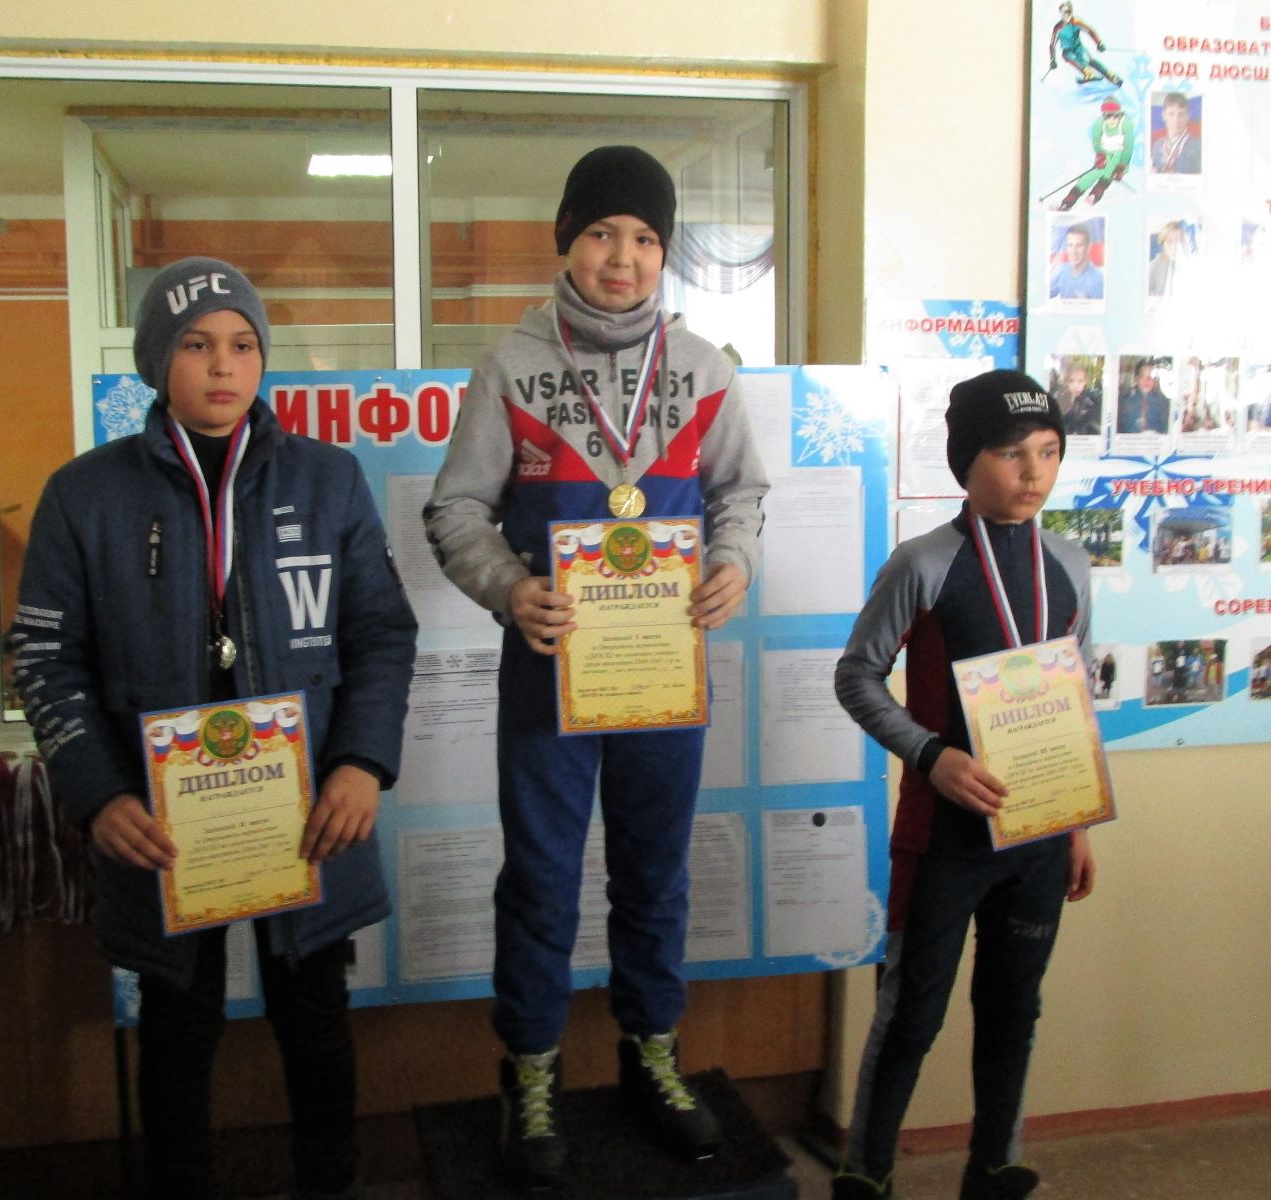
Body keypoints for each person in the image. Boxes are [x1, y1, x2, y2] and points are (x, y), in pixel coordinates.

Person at [7, 257, 418, 1200]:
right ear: (159, 361)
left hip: (307, 806)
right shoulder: (84, 495)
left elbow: (381, 634)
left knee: (314, 1017)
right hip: (160, 821)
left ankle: (331, 1187)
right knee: (177, 1026)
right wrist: (98, 794)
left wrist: (361, 764)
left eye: (241, 344)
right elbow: (43, 659)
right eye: (196, 345)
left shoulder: (327, 479)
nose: (223, 366)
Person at [423, 145, 768, 1190]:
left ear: (666, 252)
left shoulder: (705, 369)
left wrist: (733, 562)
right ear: (566, 240)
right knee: (540, 878)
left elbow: (740, 494)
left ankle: (650, 1055)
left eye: (646, 238)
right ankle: (529, 1071)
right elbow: (456, 508)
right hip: (552, 664)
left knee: (655, 872)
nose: (623, 257)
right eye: (602, 234)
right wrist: (507, 588)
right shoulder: (508, 367)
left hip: (665, 667)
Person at [832, 370, 1096, 1200]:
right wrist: (930, 755)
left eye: (1048, 452)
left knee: (1016, 1006)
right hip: (943, 839)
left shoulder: (1070, 564)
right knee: (911, 1011)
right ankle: (866, 1171)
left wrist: (1078, 821)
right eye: (1010, 453)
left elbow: (1076, 692)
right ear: (965, 460)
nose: (1033, 472)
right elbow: (857, 676)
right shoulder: (924, 563)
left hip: (1039, 834)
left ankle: (995, 1161)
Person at [1056, 100, 1131, 210]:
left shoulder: (1126, 125)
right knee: (1092, 175)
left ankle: (1095, 195)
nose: (1112, 119)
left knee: (1109, 171)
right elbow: (1096, 142)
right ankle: (1068, 202)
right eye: (1108, 116)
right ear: (1104, 116)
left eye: (1116, 116)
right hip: (1106, 153)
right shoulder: (1099, 124)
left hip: (1119, 154)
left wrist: (1122, 168)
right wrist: (1100, 155)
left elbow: (1129, 149)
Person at [1047, 1, 1122, 86]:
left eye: (1068, 12)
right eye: (1064, 12)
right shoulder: (1058, 27)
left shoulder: (1076, 22)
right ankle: (1088, 74)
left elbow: (1090, 31)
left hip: (1079, 48)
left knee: (1091, 61)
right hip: (1068, 51)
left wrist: (1099, 43)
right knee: (1069, 56)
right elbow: (1052, 45)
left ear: (1071, 11)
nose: (1066, 14)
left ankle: (1112, 77)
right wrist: (1052, 59)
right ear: (1060, 13)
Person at [1049, 224, 1104, 300]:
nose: (1073, 251)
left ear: (1088, 247)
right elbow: (1043, 294)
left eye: (1079, 245)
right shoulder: (1061, 270)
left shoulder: (1098, 281)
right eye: (1070, 245)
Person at [1151, 91, 1201, 174]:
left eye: (1181, 114)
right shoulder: (1156, 146)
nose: (1176, 120)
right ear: (1164, 116)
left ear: (1187, 116)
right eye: (1171, 114)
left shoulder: (1198, 148)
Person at [1117, 359, 1170, 433]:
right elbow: (1119, 427)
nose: (1147, 380)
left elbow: (1166, 429)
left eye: (1151, 376)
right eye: (1142, 376)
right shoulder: (1125, 400)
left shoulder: (1162, 402)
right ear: (1136, 378)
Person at [1056, 363, 1101, 435]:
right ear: (1066, 382)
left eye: (1080, 381)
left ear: (1085, 381)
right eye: (1071, 381)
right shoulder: (1061, 399)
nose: (1076, 385)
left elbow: (1094, 426)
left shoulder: (1092, 400)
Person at [1148, 220, 1187, 298]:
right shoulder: (1154, 266)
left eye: (1178, 241)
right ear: (1163, 244)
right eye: (1169, 241)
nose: (1174, 246)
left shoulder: (1188, 266)